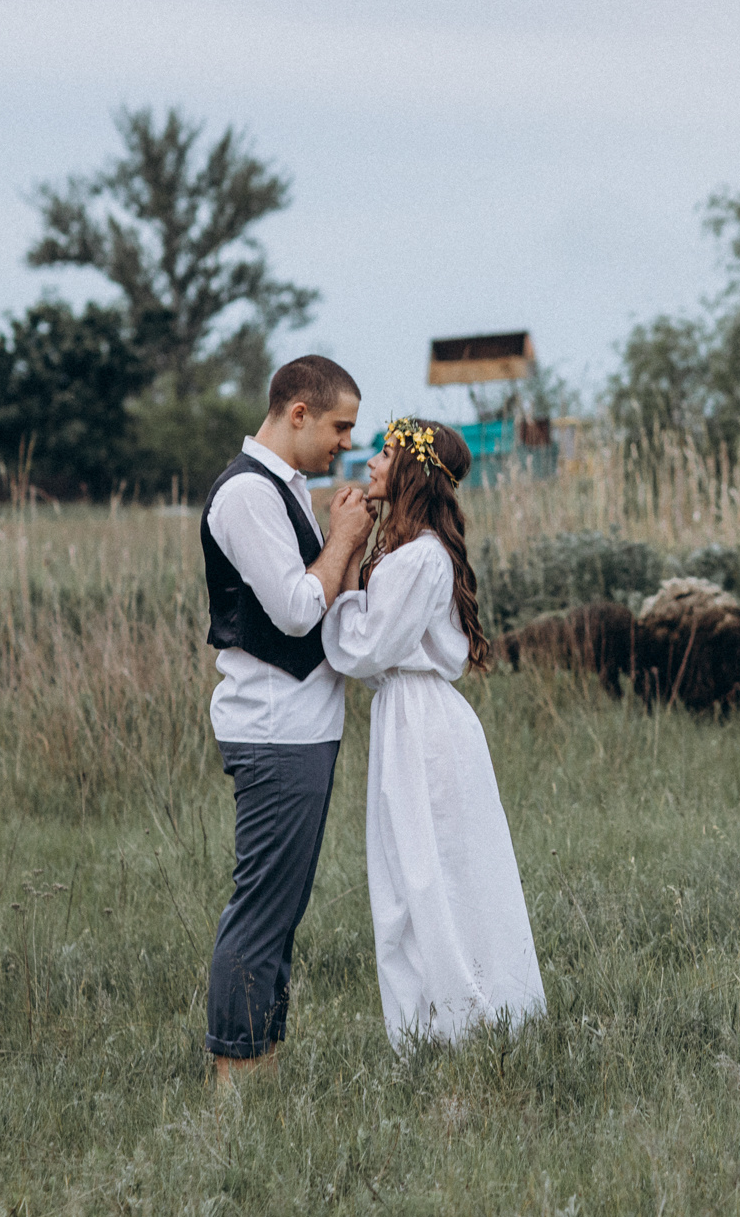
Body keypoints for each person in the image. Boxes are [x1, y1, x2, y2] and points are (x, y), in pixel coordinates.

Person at [321, 418, 547, 1045]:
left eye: (385, 453)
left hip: (423, 724)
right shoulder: (406, 553)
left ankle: (464, 1017)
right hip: (405, 716)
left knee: (432, 869)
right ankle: (429, 1023)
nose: (371, 462)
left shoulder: (420, 557)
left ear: (412, 472)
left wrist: (342, 562)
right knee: (409, 871)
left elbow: (366, 648)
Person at [199, 355, 373, 1086]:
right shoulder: (247, 494)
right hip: (274, 730)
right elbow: (299, 610)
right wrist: (343, 541)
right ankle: (235, 1076)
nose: (347, 443)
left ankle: (259, 1064)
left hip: (302, 727)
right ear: (298, 413)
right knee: (263, 909)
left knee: (281, 907)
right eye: (340, 426)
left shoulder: (284, 487)